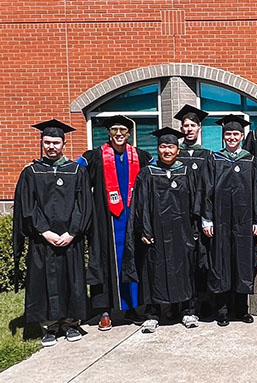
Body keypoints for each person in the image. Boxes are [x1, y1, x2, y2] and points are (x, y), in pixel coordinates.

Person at [13, 120, 92, 347]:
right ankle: (49, 326)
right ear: (41, 143)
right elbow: (27, 207)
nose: (51, 147)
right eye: (47, 142)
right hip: (43, 240)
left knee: (71, 281)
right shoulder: (32, 172)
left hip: (70, 239)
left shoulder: (77, 171)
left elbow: (83, 205)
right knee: (44, 282)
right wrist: (44, 231)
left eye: (55, 142)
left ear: (63, 144)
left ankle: (70, 323)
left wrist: (72, 232)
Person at [78, 115, 153, 330]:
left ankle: (132, 307)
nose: (119, 134)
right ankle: (104, 310)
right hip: (106, 222)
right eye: (114, 130)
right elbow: (73, 171)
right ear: (108, 133)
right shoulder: (94, 157)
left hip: (133, 222)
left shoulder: (141, 156)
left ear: (130, 134)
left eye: (123, 130)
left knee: (134, 260)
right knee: (104, 261)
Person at [123, 128, 200, 333]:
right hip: (155, 232)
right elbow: (140, 205)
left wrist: (194, 229)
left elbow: (195, 202)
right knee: (154, 271)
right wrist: (144, 230)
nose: (167, 150)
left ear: (177, 149)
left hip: (181, 232)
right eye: (163, 146)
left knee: (184, 271)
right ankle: (152, 314)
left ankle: (187, 311)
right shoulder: (148, 173)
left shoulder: (186, 171)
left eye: (171, 146)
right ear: (158, 149)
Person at [201, 114, 257, 326]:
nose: (231, 137)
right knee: (221, 263)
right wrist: (207, 219)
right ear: (223, 136)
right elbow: (206, 192)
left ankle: (241, 309)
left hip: (244, 222)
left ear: (241, 136)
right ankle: (222, 310)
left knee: (242, 263)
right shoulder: (214, 159)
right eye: (228, 134)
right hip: (220, 222)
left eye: (235, 134)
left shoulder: (251, 160)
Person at [174, 104, 211, 319]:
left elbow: (209, 189)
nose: (188, 129)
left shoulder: (206, 155)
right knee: (178, 262)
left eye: (192, 125)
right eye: (185, 125)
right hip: (177, 219)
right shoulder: (173, 154)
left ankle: (201, 305)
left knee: (201, 262)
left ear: (199, 129)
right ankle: (178, 304)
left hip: (199, 219)